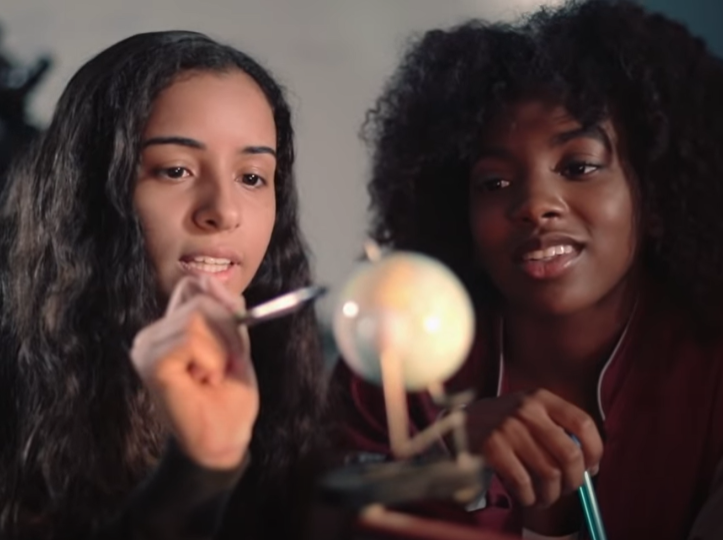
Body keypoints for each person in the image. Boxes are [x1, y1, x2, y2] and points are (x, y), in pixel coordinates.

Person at [332, 1, 723, 539]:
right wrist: (446, 458)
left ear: (653, 193)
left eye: (579, 166)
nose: (536, 204)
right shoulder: (393, 358)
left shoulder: (711, 370)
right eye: (494, 182)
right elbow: (314, 508)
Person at [0, 30, 327, 539]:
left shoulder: (306, 387)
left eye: (252, 177)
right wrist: (197, 472)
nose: (222, 211)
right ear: (88, 192)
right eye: (175, 170)